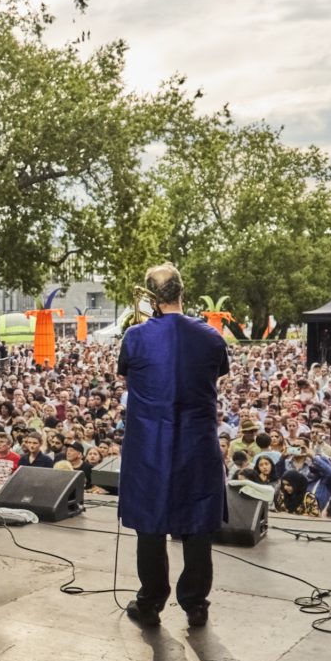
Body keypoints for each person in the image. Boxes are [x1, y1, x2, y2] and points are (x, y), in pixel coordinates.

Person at [119, 264, 230, 629]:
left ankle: (150, 602)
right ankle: (195, 604)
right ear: (184, 290)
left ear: (151, 298)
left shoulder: (134, 337)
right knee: (198, 526)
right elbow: (216, 375)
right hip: (197, 443)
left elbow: (127, 373)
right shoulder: (212, 338)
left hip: (150, 445)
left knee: (150, 526)